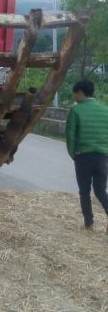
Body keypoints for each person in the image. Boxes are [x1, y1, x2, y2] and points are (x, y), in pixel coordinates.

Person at [65, 79, 108, 230]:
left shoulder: (76, 110)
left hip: (83, 156)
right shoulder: (105, 110)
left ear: (80, 93)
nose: (74, 97)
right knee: (100, 190)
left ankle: (89, 222)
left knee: (84, 191)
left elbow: (70, 136)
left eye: (74, 94)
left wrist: (73, 154)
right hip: (103, 156)